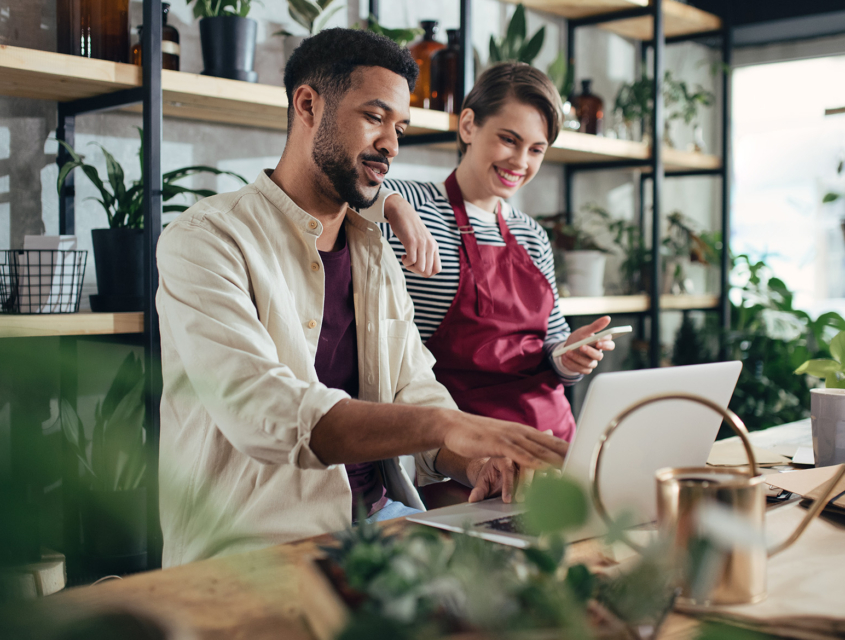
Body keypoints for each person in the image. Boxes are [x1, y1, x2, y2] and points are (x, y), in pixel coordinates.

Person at [155, 30, 569, 567]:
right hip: (256, 553)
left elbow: (414, 388)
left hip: (381, 526)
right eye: (375, 118)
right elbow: (263, 411)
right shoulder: (207, 239)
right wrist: (451, 425)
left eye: (399, 128)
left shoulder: (373, 249)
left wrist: (472, 462)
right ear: (308, 105)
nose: (392, 146)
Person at [365, 62, 615, 452]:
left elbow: (550, 344)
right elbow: (339, 187)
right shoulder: (412, 203)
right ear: (468, 126)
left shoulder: (532, 234)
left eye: (536, 149)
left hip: (553, 440)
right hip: (462, 448)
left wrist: (570, 356)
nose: (520, 162)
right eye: (509, 140)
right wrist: (392, 203)